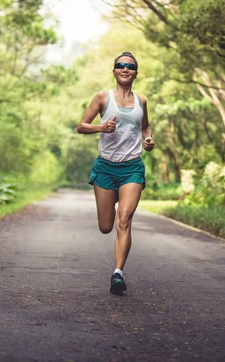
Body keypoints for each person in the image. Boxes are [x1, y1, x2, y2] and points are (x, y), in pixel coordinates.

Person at [77, 51, 155, 295]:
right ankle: (112, 204)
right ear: (114, 71)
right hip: (106, 167)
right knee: (106, 226)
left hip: (132, 166)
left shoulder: (141, 102)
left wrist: (149, 139)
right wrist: (101, 127)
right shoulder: (103, 97)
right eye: (120, 65)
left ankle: (118, 274)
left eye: (130, 66)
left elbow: (145, 127)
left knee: (124, 219)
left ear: (135, 73)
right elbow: (81, 126)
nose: (125, 69)